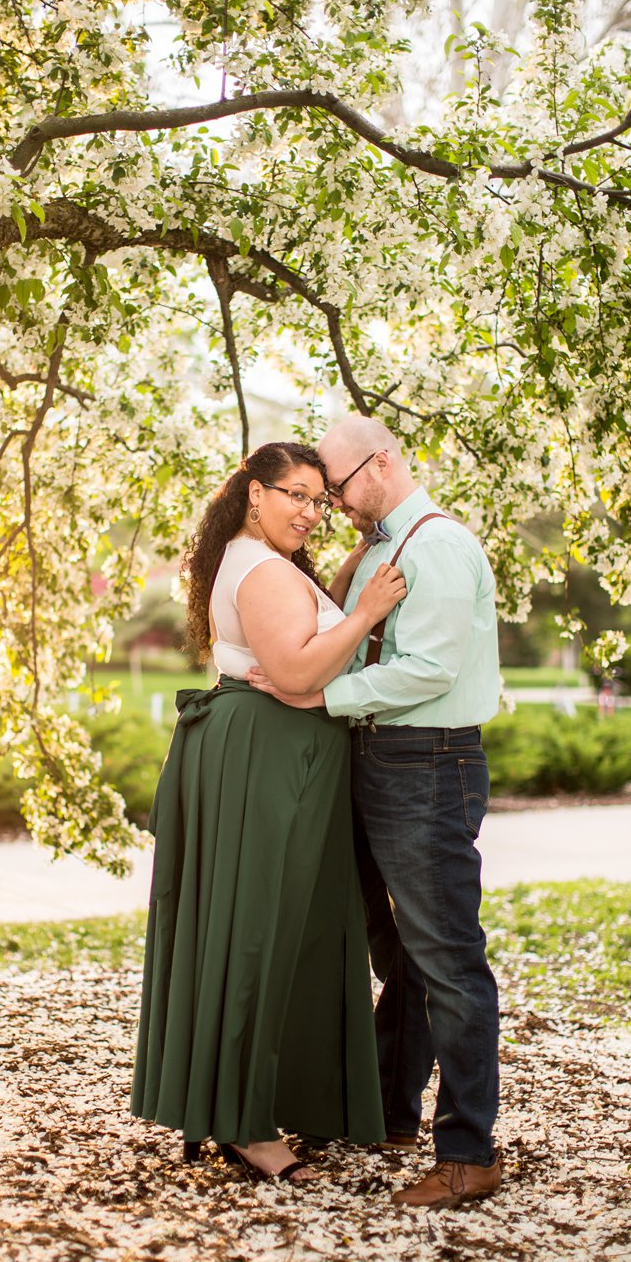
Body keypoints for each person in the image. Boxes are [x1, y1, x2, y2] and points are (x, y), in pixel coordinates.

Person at [132, 442, 406, 1183]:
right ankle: (248, 1127)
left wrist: (351, 577)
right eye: (296, 495)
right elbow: (294, 671)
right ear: (255, 493)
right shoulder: (258, 566)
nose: (311, 512)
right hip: (267, 759)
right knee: (256, 935)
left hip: (277, 755)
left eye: (321, 501)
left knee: (275, 931)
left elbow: (298, 645)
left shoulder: (259, 563)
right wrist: (370, 612)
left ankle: (221, 1106)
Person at [249, 415, 502, 1209]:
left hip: (428, 764)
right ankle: (390, 1113)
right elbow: (340, 630)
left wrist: (323, 694)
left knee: (448, 961)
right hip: (373, 760)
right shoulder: (386, 550)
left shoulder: (439, 547)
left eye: (339, 487)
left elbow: (428, 669)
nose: (333, 504)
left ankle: (468, 1151)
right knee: (395, 956)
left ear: (381, 465)